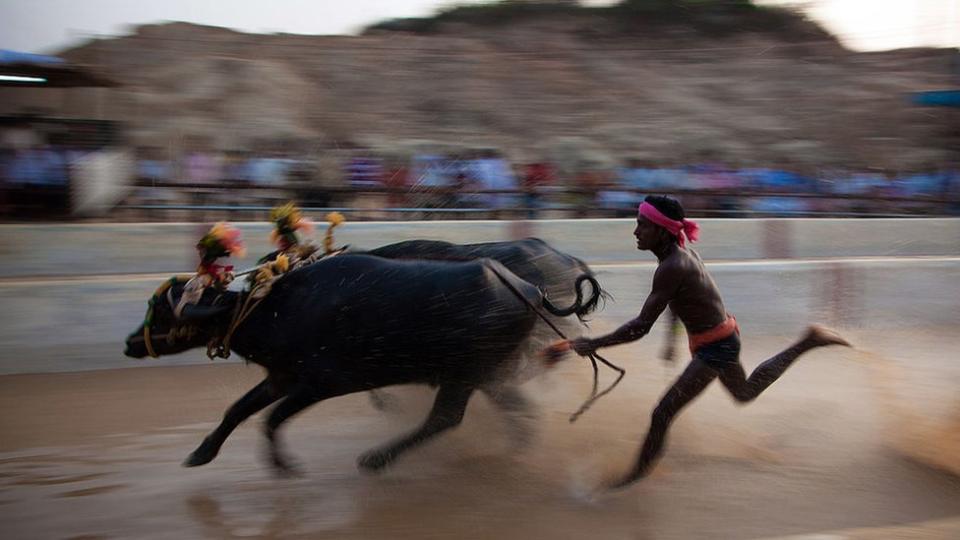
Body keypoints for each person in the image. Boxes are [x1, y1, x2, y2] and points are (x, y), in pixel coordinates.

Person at [569, 195, 850, 489]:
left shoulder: (672, 266)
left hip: (716, 346)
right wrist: (672, 341)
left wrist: (594, 344)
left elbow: (640, 326)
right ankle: (809, 341)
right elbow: (677, 302)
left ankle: (632, 478)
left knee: (662, 412)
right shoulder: (677, 256)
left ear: (662, 230)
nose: (636, 232)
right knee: (744, 393)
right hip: (721, 337)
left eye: (643, 225)